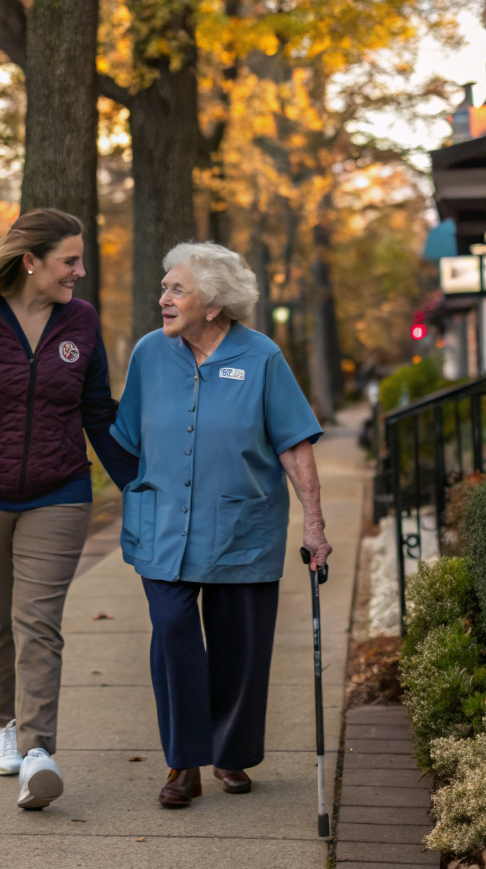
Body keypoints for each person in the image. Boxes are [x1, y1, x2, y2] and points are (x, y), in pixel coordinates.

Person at [0, 208, 137, 810]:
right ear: (30, 262)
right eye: (70, 261)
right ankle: (8, 726)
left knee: (38, 621)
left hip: (58, 489)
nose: (79, 272)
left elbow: (98, 412)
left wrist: (136, 484)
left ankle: (39, 752)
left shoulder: (81, 321)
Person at [110, 242, 332, 809]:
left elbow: (294, 445)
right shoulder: (149, 354)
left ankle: (229, 751)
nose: (163, 298)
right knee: (173, 634)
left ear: (213, 304)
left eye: (177, 290)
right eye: (165, 288)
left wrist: (314, 524)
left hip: (242, 527)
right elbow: (127, 438)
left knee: (240, 646)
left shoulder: (261, 357)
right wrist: (138, 493)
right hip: (163, 528)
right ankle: (184, 761)